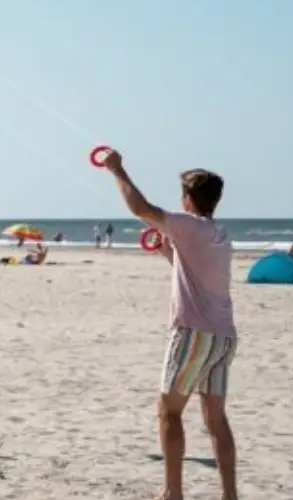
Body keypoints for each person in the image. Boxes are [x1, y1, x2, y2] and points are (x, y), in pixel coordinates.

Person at [99, 149, 237, 500]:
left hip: (193, 333)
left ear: (188, 199)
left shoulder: (189, 225)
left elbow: (141, 209)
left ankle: (172, 493)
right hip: (223, 336)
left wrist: (117, 169)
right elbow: (195, 273)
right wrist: (168, 254)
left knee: (168, 412)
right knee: (215, 419)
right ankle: (230, 496)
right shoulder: (219, 234)